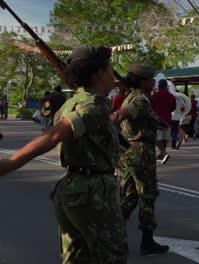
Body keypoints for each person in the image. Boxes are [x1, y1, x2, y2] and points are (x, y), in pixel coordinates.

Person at [0, 46, 129, 263]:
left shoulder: (71, 102)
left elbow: (92, 140)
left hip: (73, 189)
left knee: (77, 258)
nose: (113, 77)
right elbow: (54, 136)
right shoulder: (94, 105)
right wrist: (12, 163)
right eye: (111, 70)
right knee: (113, 257)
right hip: (93, 193)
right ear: (99, 73)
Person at [112, 64, 169, 256]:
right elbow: (118, 116)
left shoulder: (135, 96)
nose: (154, 82)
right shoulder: (140, 99)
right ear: (143, 81)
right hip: (140, 151)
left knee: (130, 196)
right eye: (151, 79)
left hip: (128, 151)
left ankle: (111, 235)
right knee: (147, 194)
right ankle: (147, 241)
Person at [151, 79, 175, 164]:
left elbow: (151, 107)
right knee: (165, 138)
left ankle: (163, 153)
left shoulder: (154, 95)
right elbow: (173, 107)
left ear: (159, 86)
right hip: (168, 119)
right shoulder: (171, 96)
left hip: (157, 119)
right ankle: (163, 153)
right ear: (166, 86)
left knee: (158, 138)